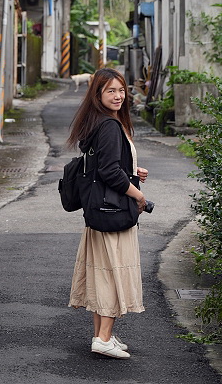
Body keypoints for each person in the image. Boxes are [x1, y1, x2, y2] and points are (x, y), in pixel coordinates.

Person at [67, 67, 149, 359]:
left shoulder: (97, 123)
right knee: (114, 274)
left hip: (98, 211)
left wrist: (132, 172)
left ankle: (103, 335)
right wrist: (139, 196)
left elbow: (106, 167)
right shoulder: (110, 126)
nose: (118, 96)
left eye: (121, 90)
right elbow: (110, 172)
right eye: (110, 91)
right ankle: (102, 338)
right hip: (114, 213)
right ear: (98, 94)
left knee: (103, 274)